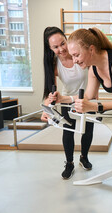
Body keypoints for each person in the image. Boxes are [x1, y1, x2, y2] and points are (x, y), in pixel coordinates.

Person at [42, 26, 94, 180]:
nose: (61, 49)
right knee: (68, 131)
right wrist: (46, 108)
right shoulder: (53, 64)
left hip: (87, 99)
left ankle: (84, 157)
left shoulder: (79, 52)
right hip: (67, 100)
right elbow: (49, 91)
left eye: (62, 43)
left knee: (87, 131)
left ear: (67, 40)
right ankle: (69, 163)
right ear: (50, 48)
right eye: (55, 47)